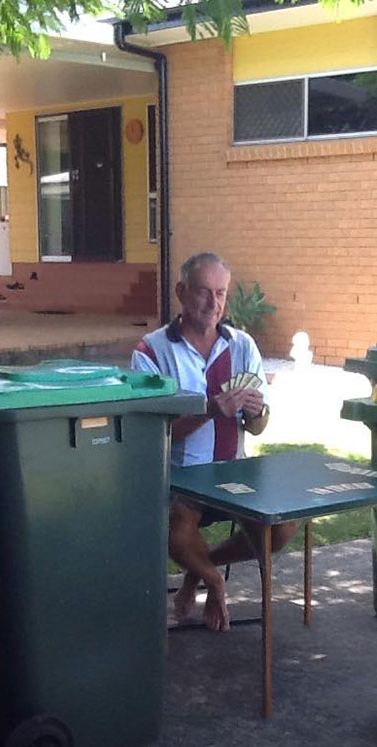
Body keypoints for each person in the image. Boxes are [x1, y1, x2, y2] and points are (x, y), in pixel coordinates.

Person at [131, 251, 298, 632]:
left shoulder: (242, 346)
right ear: (181, 292)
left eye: (221, 293)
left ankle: (197, 572)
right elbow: (149, 435)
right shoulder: (151, 351)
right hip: (181, 477)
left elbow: (258, 429)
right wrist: (210, 410)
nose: (214, 303)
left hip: (233, 472)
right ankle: (214, 579)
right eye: (204, 292)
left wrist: (256, 412)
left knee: (282, 528)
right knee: (175, 531)